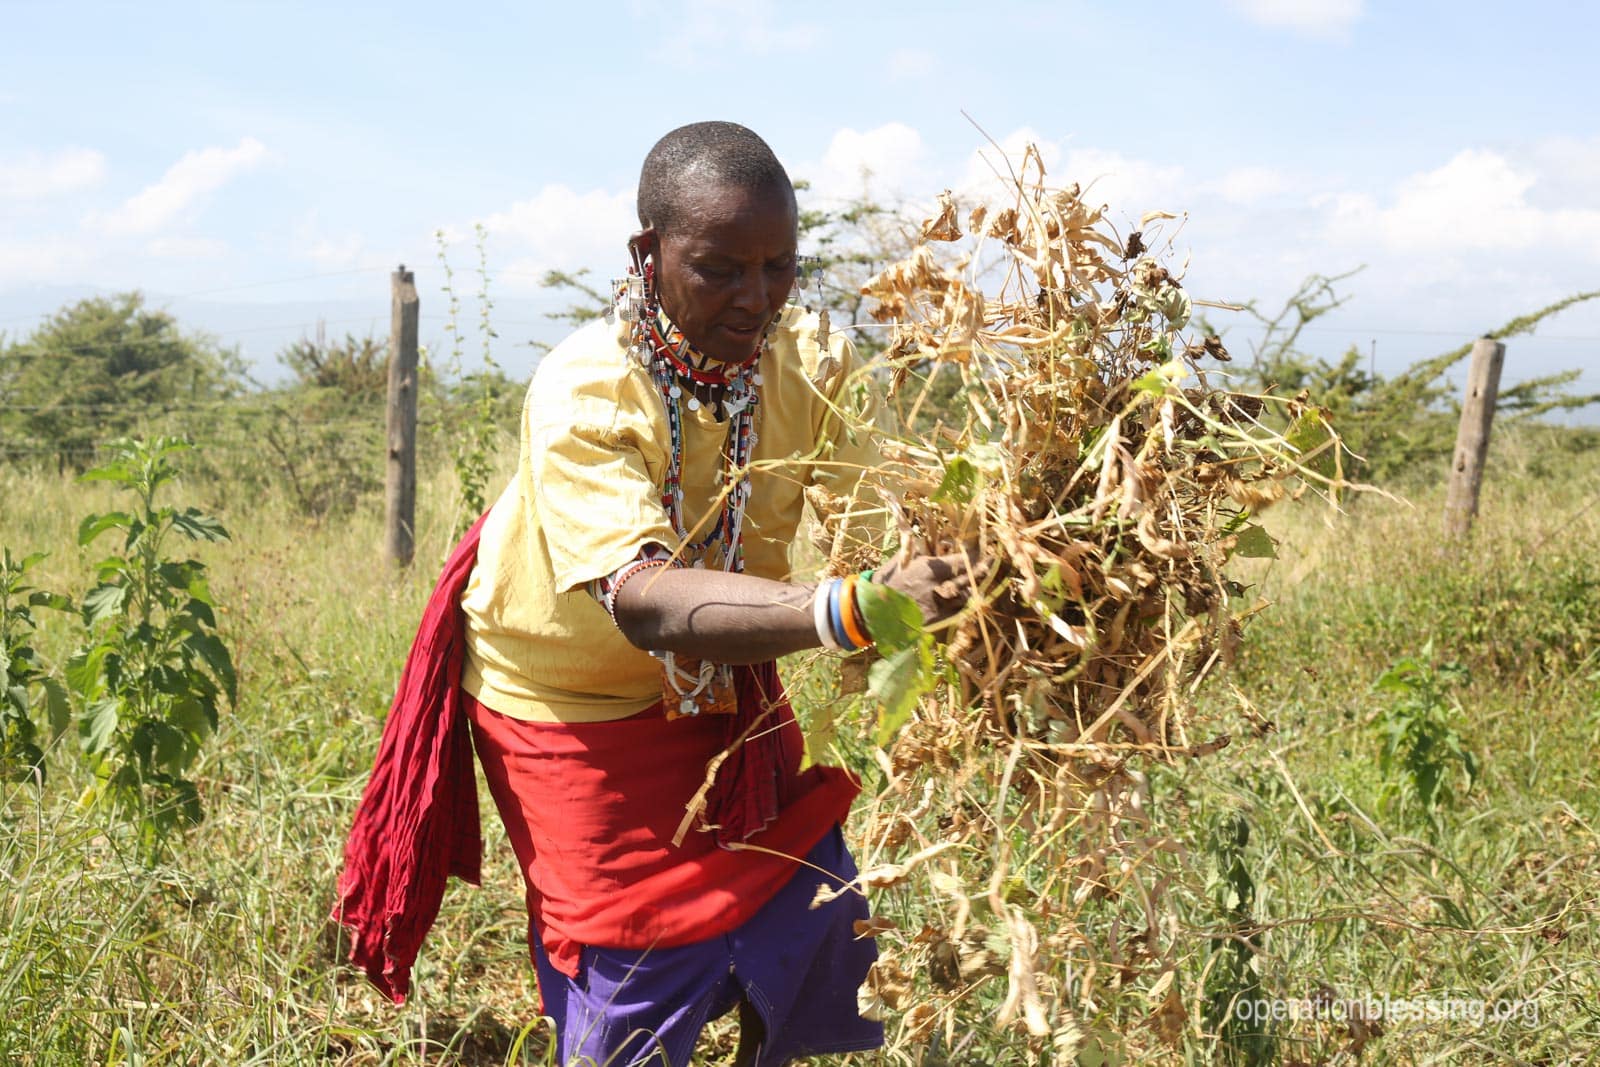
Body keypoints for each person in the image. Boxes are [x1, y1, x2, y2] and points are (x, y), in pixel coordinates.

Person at [335, 121, 971, 1067]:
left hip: (726, 679)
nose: (756, 298)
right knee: (631, 960)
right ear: (649, 253)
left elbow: (879, 529)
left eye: (779, 267)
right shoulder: (586, 387)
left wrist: (984, 571)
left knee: (803, 898)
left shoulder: (812, 362)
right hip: (568, 698)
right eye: (720, 269)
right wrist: (852, 609)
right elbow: (644, 600)